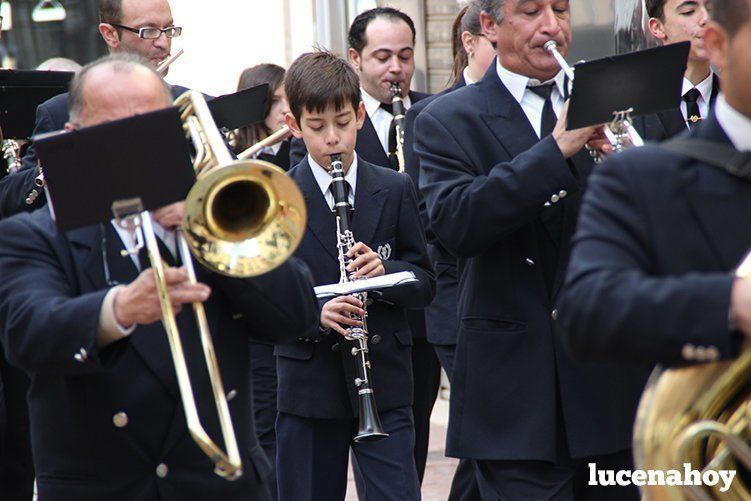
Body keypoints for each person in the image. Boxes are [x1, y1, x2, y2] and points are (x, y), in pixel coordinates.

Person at [0, 53, 319, 500]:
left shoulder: (212, 221)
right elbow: (28, 333)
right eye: (116, 130)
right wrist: (117, 309)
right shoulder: (33, 235)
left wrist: (210, 237)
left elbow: (296, 316)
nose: (138, 145)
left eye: (153, 127)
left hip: (220, 486)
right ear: (74, 139)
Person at [415, 0, 649, 499]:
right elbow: (457, 224)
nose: (552, 27)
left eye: (561, 11)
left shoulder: (609, 102)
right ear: (489, 26)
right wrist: (556, 149)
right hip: (514, 395)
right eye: (530, 11)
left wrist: (627, 170)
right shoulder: (447, 118)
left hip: (608, 382)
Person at [276, 50, 435, 501]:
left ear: (360, 115)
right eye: (317, 126)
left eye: (343, 122)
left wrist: (385, 272)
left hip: (383, 383)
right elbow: (262, 300)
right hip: (309, 389)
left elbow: (424, 282)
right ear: (293, 125)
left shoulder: (395, 187)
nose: (333, 139)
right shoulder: (277, 199)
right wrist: (316, 313)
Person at [558, 0, 751, 366]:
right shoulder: (636, 174)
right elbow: (587, 310)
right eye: (686, 9)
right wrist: (729, 303)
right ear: (719, 46)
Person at [403, 2, 493, 499]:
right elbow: (438, 220)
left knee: (492, 443)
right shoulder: (432, 115)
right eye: (495, 44)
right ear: (471, 42)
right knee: (488, 436)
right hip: (457, 303)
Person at [0, 0, 190, 218]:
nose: (164, 43)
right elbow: (8, 200)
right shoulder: (61, 111)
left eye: (169, 30)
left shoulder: (189, 105)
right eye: (150, 31)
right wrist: (51, 166)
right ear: (110, 34)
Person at [638, 0, 720, 140]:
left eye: (711, 8)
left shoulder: (738, 99)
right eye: (688, 12)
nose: (706, 19)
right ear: (658, 27)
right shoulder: (632, 109)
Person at [233, 63, 292, 170]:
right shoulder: (231, 157)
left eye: (290, 99)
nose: (286, 109)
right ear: (253, 106)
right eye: (274, 101)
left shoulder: (302, 153)